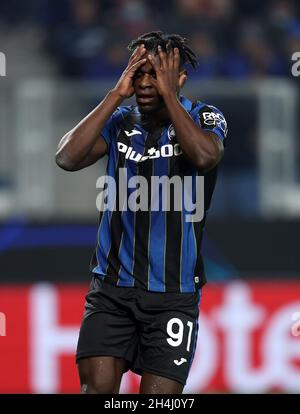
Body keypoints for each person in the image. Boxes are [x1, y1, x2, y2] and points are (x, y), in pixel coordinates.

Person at [56, 30, 228, 394]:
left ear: (180, 78)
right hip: (111, 291)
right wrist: (114, 95)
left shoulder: (207, 117)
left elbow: (204, 157)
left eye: (157, 74)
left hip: (173, 297)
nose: (146, 83)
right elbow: (67, 158)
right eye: (139, 74)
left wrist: (170, 95)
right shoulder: (119, 121)